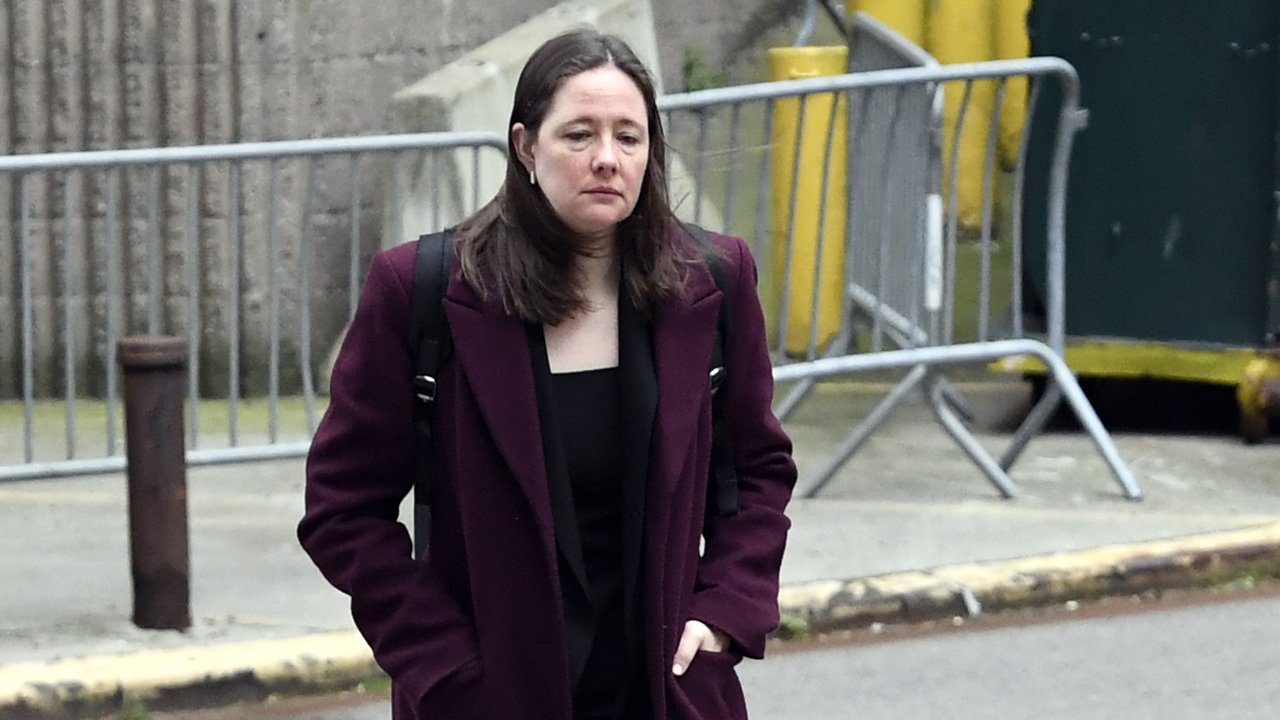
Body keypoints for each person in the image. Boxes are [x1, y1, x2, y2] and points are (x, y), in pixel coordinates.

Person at [298, 28, 796, 720]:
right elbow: (343, 510)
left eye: (629, 137)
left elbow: (758, 471)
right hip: (488, 699)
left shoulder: (711, 281)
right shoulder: (420, 289)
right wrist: (441, 660)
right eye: (579, 135)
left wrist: (725, 614)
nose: (606, 159)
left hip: (665, 692)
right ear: (526, 147)